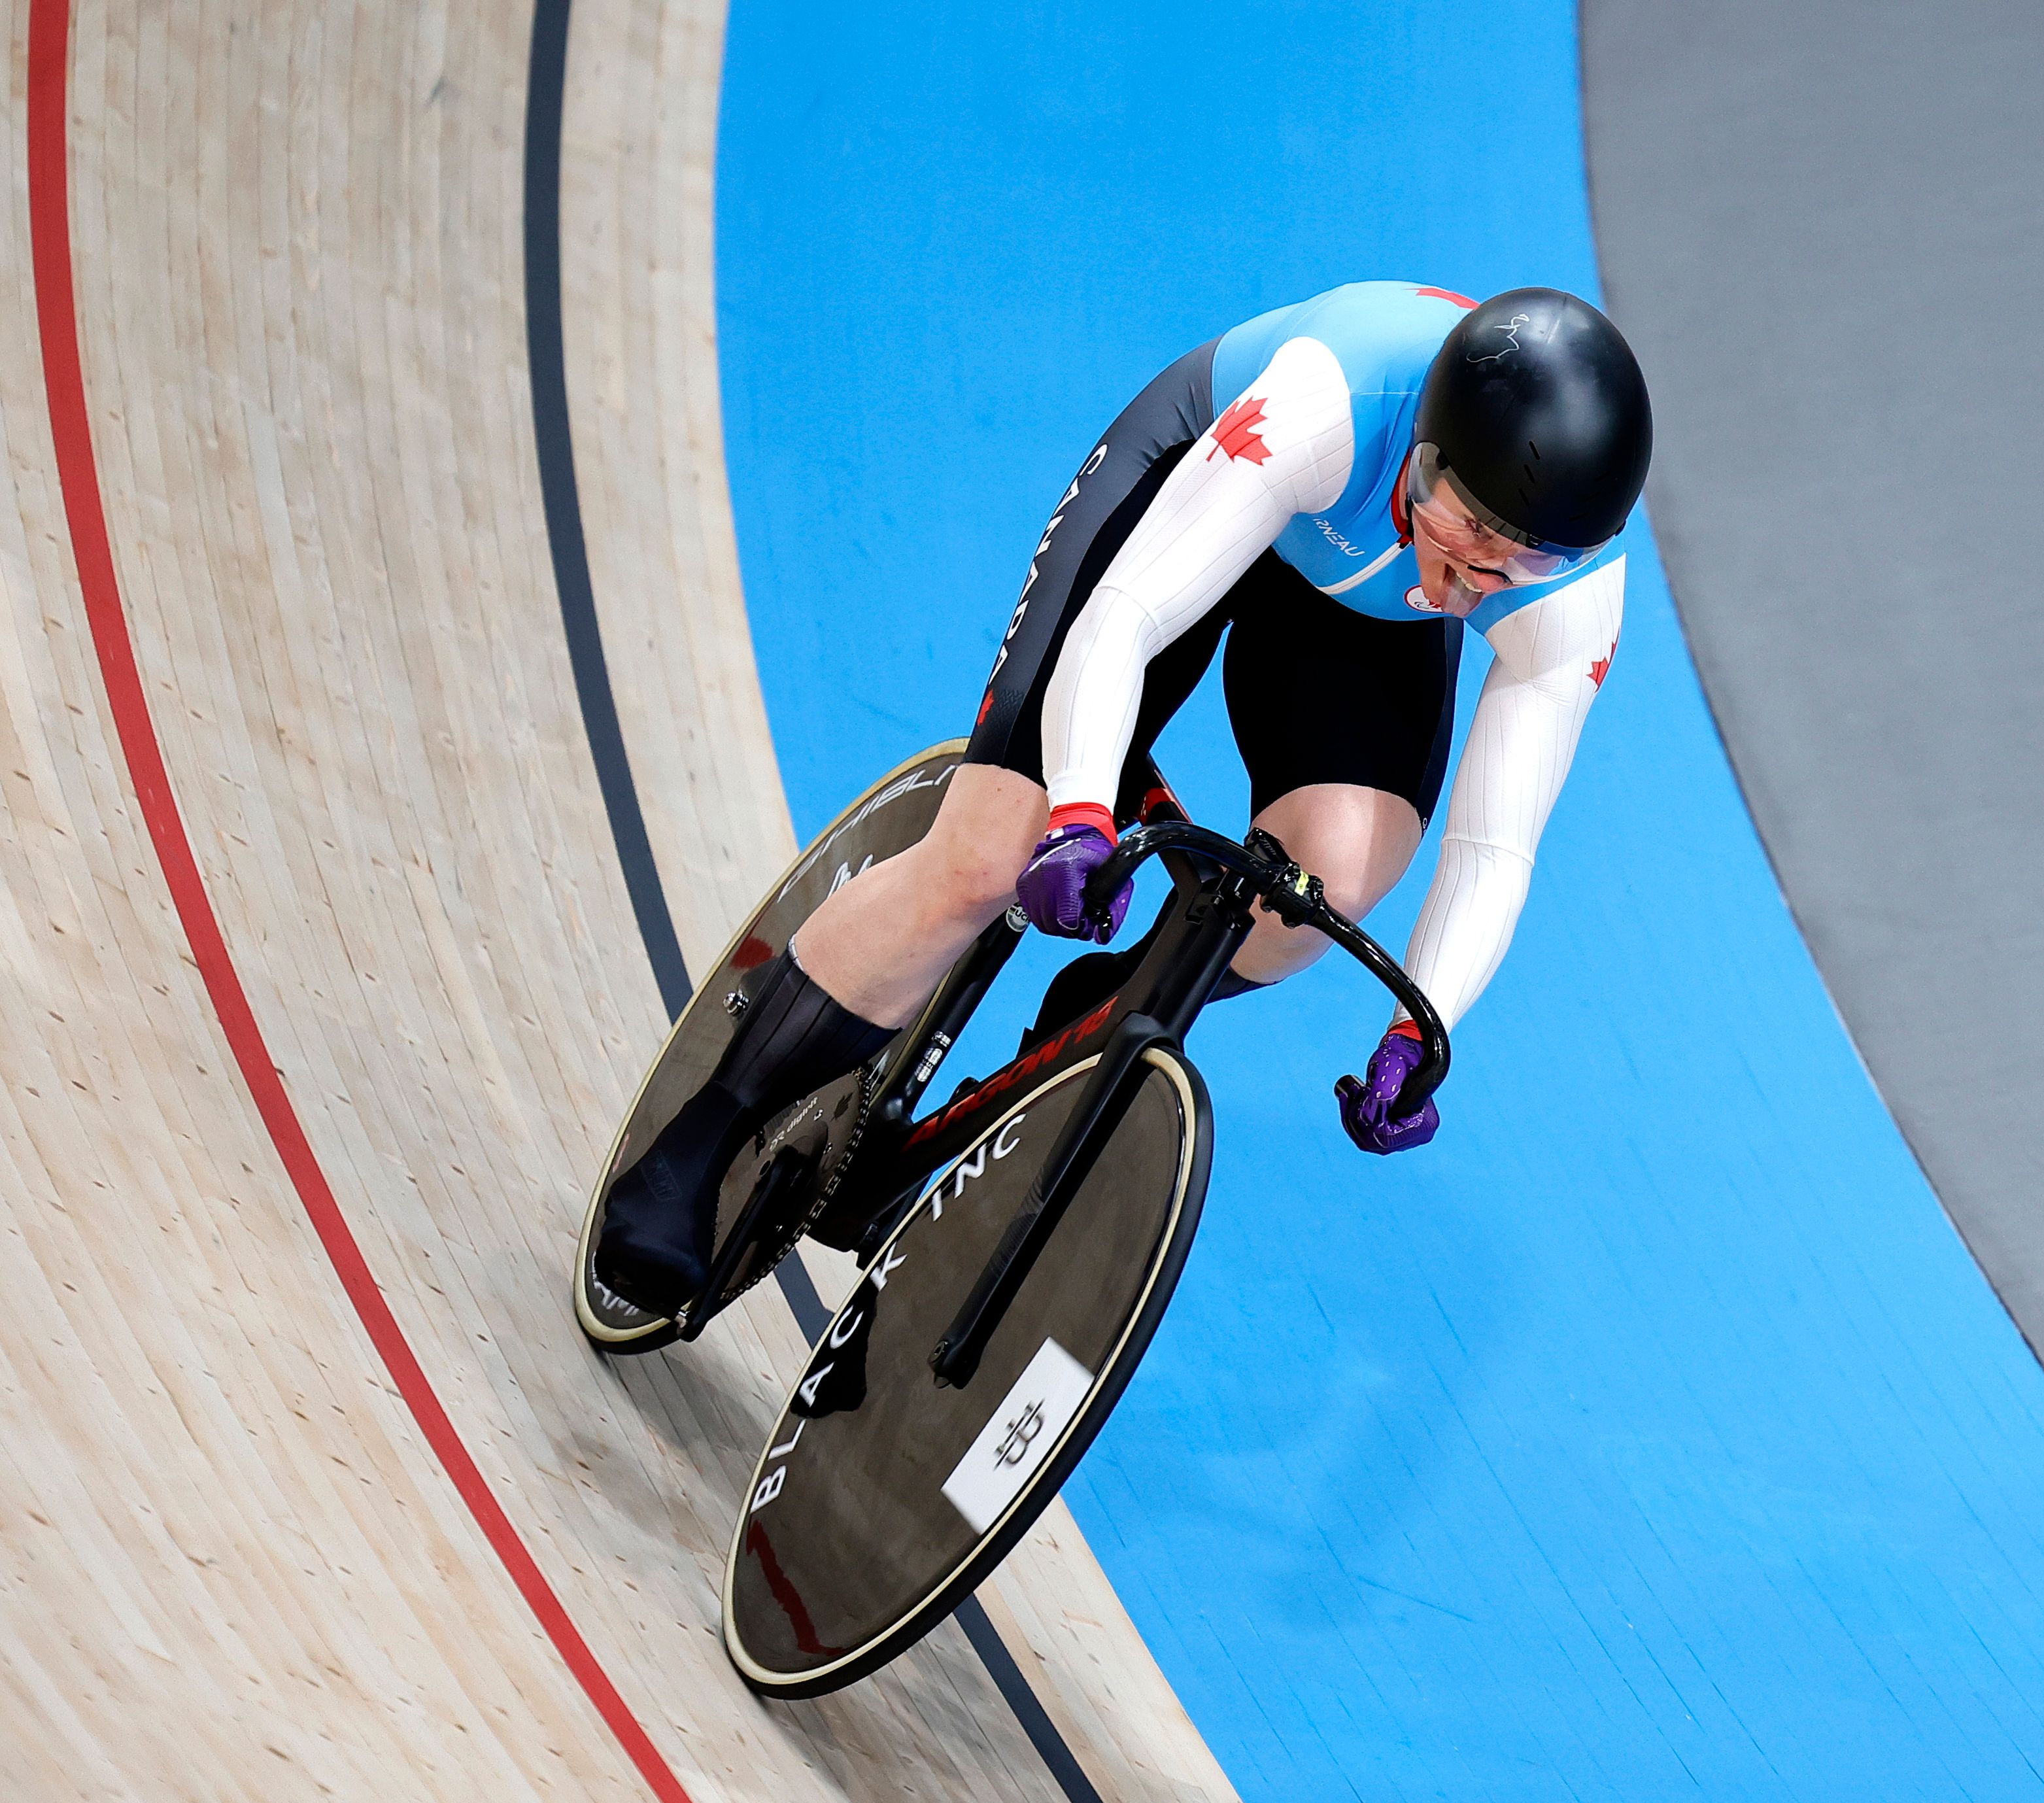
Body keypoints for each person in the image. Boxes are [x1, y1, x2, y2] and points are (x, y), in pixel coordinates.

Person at [596, 283, 1653, 1315]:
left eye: (1521, 559)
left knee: (1307, 911)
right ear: (1426, 452)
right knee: (985, 853)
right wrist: (1076, 819)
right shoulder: (1329, 403)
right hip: (1195, 490)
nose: (1478, 575)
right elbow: (1128, 618)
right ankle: (706, 1128)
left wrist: (1422, 1031)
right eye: (1469, 527)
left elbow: (1493, 848)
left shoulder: (1570, 590)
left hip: (1356, 604)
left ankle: (1064, 1051)